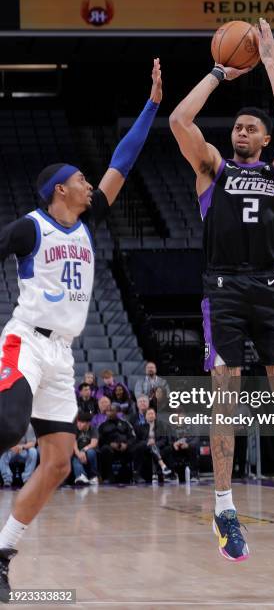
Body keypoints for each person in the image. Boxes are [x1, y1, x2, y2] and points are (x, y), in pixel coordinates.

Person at [0, 58, 162, 599]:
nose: (92, 184)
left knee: (60, 461)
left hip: (62, 357)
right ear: (59, 191)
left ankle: (2, 553)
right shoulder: (31, 226)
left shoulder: (87, 224)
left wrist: (152, 105)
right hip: (25, 340)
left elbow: (123, 159)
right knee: (7, 426)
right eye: (81, 180)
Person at [170, 18, 274, 561]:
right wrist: (219, 72)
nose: (240, 130)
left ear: (263, 140)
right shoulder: (212, 170)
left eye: (249, 128)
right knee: (226, 403)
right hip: (224, 291)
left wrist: (269, 61)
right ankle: (224, 508)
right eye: (236, 126)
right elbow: (179, 118)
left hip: (269, 289)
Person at [98, 403, 136, 483]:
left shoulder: (125, 423)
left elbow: (132, 437)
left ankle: (134, 474)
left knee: (138, 447)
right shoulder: (102, 425)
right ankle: (109, 475)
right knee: (105, 449)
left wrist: (126, 444)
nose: (109, 413)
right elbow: (100, 439)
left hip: (125, 448)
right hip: (110, 449)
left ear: (117, 412)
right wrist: (110, 444)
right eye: (107, 411)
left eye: (111, 411)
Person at [132, 407, 171, 483]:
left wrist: (155, 443)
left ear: (155, 415)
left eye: (152, 414)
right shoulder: (141, 428)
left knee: (153, 446)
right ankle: (163, 466)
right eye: (149, 414)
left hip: (157, 447)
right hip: (144, 448)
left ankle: (161, 470)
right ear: (145, 417)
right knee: (149, 445)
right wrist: (147, 442)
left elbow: (164, 440)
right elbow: (138, 441)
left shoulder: (161, 427)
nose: (151, 415)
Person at [162, 409, 200, 482]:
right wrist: (174, 444)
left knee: (193, 448)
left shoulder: (191, 425)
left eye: (180, 414)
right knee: (166, 449)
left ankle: (194, 474)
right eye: (176, 415)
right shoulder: (170, 427)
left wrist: (188, 444)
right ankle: (171, 475)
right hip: (176, 448)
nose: (179, 416)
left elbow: (196, 439)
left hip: (187, 447)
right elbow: (168, 440)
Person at [71, 411, 99, 486]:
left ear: (88, 423)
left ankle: (93, 477)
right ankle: (81, 476)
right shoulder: (75, 429)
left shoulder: (93, 429)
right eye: (78, 422)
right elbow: (74, 443)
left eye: (82, 422)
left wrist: (83, 450)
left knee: (91, 452)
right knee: (75, 456)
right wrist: (78, 453)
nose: (79, 424)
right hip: (79, 452)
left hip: (89, 451)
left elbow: (94, 443)